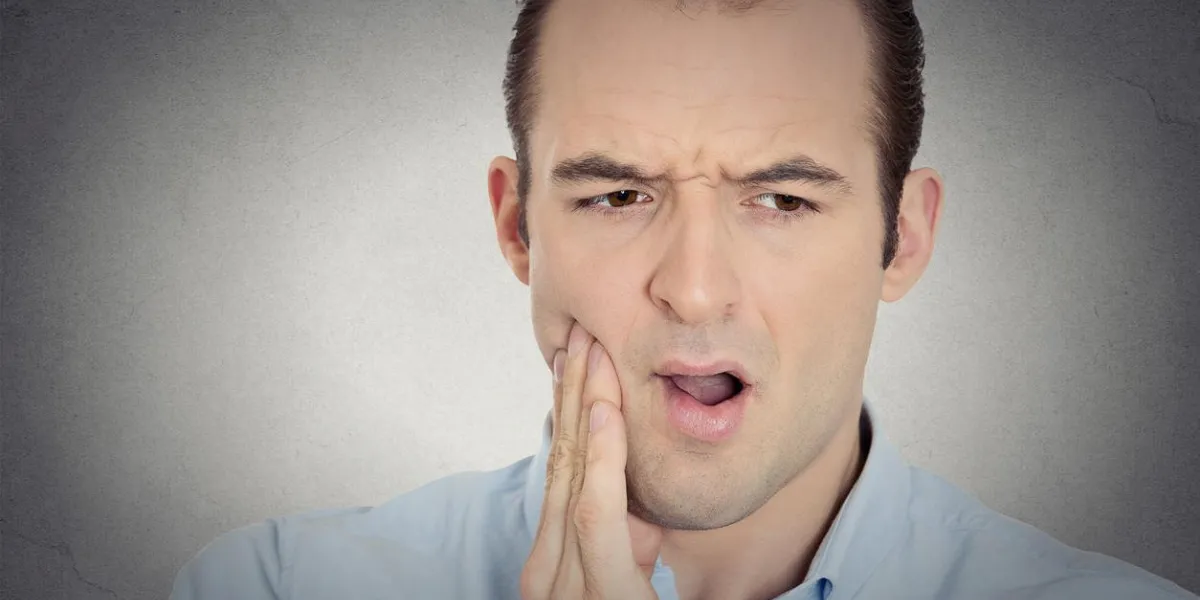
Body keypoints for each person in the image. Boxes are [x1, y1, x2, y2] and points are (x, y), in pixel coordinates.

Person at [170, 0, 1197, 598]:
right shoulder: (276, 587)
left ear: (904, 237)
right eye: (618, 195)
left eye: (783, 199)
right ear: (517, 226)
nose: (695, 287)